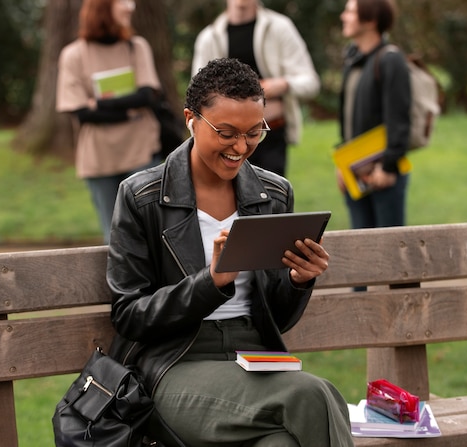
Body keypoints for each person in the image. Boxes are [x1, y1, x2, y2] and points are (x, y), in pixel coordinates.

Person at [106, 58, 353, 447]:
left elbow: (278, 318)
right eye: (226, 133)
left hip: (254, 358)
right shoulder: (143, 197)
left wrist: (298, 280)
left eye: (255, 132)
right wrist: (211, 282)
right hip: (175, 365)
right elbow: (128, 315)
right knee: (312, 395)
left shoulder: (271, 195)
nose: (241, 147)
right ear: (191, 119)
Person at [56, 0, 162, 244]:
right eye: (123, 1)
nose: (130, 7)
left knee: (150, 233)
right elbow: (82, 113)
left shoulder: (137, 47)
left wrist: (100, 104)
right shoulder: (73, 55)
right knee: (114, 238)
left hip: (141, 150)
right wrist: (129, 110)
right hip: (99, 158)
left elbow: (147, 95)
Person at [191, 0, 320, 177]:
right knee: (227, 201)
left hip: (270, 135)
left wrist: (281, 85)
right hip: (224, 140)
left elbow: (310, 82)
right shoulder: (210, 37)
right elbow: (197, 93)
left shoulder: (280, 28)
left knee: (271, 198)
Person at [338, 0, 411, 229]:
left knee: (390, 251)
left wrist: (388, 167)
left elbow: (398, 120)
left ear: (370, 20)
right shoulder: (353, 60)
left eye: (350, 11)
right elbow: (347, 118)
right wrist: (342, 164)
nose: (343, 16)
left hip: (383, 174)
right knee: (361, 248)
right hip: (355, 172)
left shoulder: (390, 60)